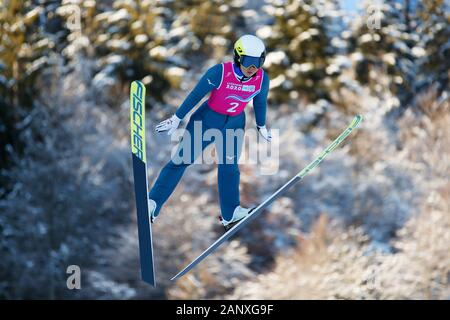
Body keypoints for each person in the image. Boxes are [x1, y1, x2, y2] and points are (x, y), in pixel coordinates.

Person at [148, 34, 271, 230]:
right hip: (207, 119)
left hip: (235, 123)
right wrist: (177, 118)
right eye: (248, 62)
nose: (252, 68)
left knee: (230, 168)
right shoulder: (219, 73)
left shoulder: (262, 79)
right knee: (181, 160)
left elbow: (260, 102)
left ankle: (230, 213)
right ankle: (153, 202)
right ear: (238, 58)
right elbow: (196, 95)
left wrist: (261, 126)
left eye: (258, 62)